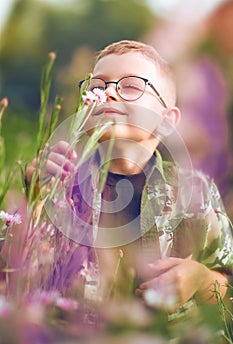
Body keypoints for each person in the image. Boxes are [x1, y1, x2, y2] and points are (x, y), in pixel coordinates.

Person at [26, 40, 233, 312]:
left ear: (166, 121)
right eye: (97, 87)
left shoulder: (196, 192)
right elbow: (22, 273)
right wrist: (35, 197)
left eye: (131, 86)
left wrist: (201, 279)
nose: (108, 94)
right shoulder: (62, 184)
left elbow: (227, 284)